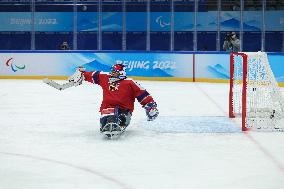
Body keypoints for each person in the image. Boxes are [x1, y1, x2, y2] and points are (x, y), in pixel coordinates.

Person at [68, 64, 159, 138]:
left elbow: (143, 94)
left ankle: (117, 122)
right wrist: (82, 74)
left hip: (124, 110)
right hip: (107, 108)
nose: (112, 73)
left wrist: (150, 106)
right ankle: (108, 123)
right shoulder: (105, 77)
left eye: (115, 72)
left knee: (119, 119)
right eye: (112, 71)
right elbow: (93, 75)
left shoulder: (129, 82)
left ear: (121, 73)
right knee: (107, 121)